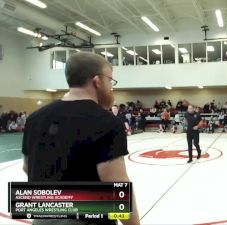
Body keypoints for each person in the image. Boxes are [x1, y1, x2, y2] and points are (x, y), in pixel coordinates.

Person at [21, 52, 140, 225]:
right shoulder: (107, 122)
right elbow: (117, 185)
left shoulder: (35, 118)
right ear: (97, 81)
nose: (110, 86)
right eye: (110, 80)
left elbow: (27, 167)